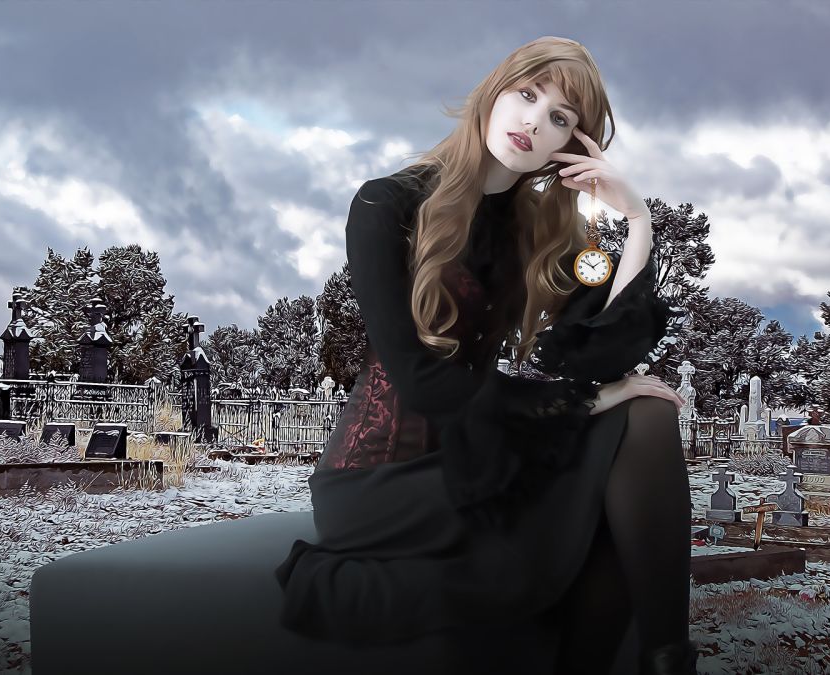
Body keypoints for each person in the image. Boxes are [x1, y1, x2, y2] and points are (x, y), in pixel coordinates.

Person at [274, 36, 697, 675]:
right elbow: (420, 383)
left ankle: (668, 659)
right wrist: (581, 401)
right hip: (376, 486)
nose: (534, 122)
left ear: (571, 146)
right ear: (493, 93)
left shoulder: (537, 228)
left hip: (476, 455)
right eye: (527, 95)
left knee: (643, 418)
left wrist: (636, 219)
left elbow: (607, 343)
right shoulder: (385, 204)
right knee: (619, 427)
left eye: (560, 117)